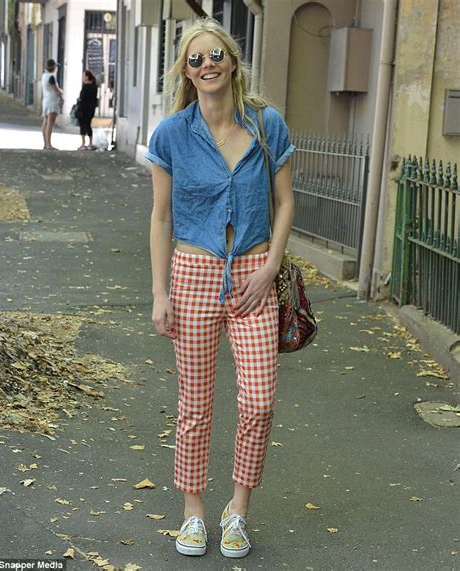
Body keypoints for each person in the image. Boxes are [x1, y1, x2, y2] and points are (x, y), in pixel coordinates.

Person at [147, 18, 295, 559]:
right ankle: (193, 513)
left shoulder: (265, 123)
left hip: (255, 276)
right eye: (195, 59)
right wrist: (161, 292)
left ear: (232, 60)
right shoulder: (170, 135)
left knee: (258, 402)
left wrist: (271, 265)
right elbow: (161, 218)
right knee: (196, 404)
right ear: (186, 72)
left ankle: (238, 511)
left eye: (215, 54)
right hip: (193, 275)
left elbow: (284, 203)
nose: (206, 64)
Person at [41, 59, 63, 150]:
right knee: (50, 123)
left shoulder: (44, 76)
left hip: (46, 100)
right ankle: (49, 144)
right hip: (52, 101)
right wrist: (62, 94)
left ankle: (45, 143)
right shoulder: (51, 77)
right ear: (54, 67)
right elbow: (56, 91)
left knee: (45, 122)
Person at [77, 70, 98, 150]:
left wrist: (79, 100)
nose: (82, 77)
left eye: (83, 76)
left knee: (82, 125)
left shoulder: (85, 87)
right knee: (88, 125)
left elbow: (82, 97)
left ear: (87, 77)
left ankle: (83, 143)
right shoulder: (94, 87)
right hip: (90, 109)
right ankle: (90, 143)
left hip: (83, 108)